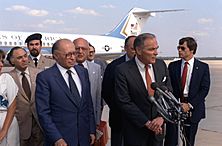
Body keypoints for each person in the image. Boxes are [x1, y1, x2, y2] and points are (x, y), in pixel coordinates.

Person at [114, 33, 172, 146]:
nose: (156, 53)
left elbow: (168, 93)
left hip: (158, 131)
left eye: (156, 48)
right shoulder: (122, 70)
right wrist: (147, 123)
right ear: (139, 51)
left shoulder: (161, 65)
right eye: (151, 49)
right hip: (136, 131)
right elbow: (124, 101)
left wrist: (161, 118)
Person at [35, 39, 96, 146]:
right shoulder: (45, 78)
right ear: (56, 56)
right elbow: (43, 113)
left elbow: (88, 105)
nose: (73, 58)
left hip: (84, 138)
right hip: (61, 140)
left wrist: (91, 130)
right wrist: (56, 138)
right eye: (68, 55)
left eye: (74, 53)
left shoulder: (83, 72)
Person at [164, 37, 210, 146]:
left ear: (192, 50)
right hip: (175, 108)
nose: (179, 50)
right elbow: (169, 87)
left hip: (193, 109)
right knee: (171, 140)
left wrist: (189, 105)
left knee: (188, 140)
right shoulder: (173, 66)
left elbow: (204, 89)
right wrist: (175, 104)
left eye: (183, 48)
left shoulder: (203, 67)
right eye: (178, 48)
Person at [101, 35, 136, 146]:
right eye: (132, 48)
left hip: (140, 121)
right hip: (119, 118)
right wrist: (119, 106)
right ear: (125, 48)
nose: (136, 51)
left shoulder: (147, 65)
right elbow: (106, 91)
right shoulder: (114, 66)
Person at [7, 47, 44, 146]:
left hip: (40, 126)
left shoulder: (39, 74)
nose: (24, 59)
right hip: (20, 128)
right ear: (12, 61)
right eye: (19, 58)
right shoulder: (8, 78)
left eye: (25, 56)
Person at [73, 38, 102, 126]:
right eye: (77, 49)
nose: (80, 52)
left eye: (84, 49)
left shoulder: (96, 68)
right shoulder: (67, 68)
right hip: (70, 121)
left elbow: (98, 97)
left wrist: (97, 122)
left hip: (89, 120)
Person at [0, 49, 19, 146]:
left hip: (6, 122)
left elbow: (12, 106)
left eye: (2, 61)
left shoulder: (6, 79)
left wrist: (3, 131)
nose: (1, 65)